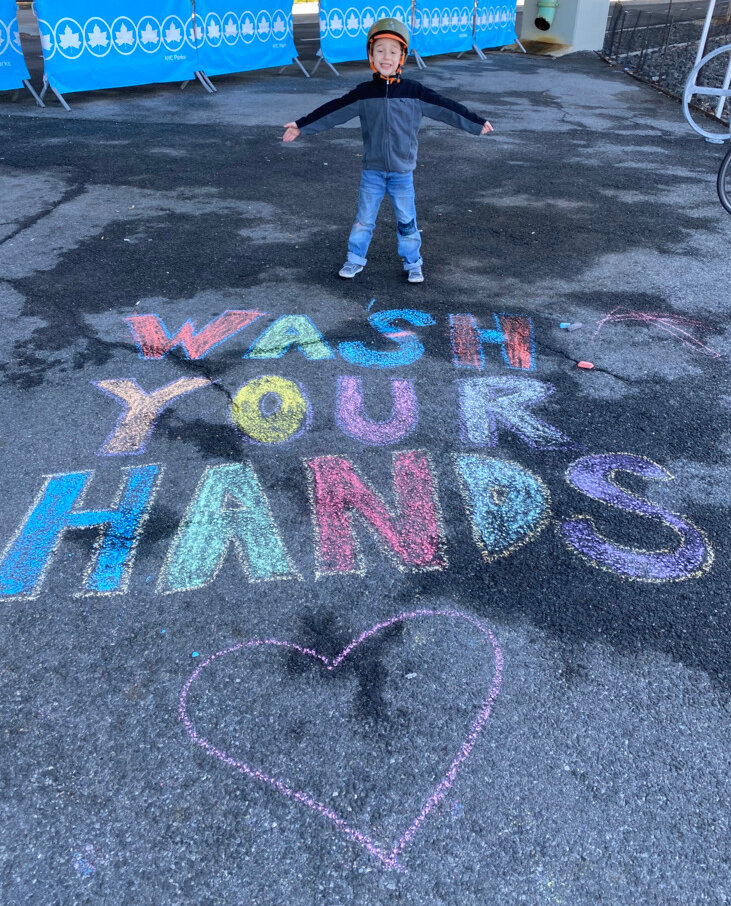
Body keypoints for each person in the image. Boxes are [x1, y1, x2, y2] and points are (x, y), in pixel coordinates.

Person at [282, 18, 493, 283]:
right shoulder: (364, 93)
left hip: (402, 173)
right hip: (372, 171)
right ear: (371, 54)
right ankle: (354, 260)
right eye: (380, 50)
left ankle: (413, 263)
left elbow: (446, 107)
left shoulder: (414, 92)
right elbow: (334, 110)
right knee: (363, 220)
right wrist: (303, 125)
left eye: (393, 51)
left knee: (407, 220)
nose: (386, 56)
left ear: (402, 56)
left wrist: (475, 122)